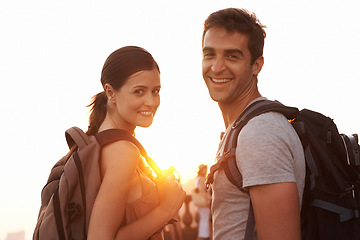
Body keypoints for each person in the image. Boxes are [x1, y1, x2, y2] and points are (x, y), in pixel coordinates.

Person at [201, 8, 306, 240]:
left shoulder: (260, 134)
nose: (216, 67)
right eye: (209, 54)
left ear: (257, 65)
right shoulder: (243, 128)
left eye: (232, 56)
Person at [86, 46, 186, 240]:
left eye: (155, 91)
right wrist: (166, 208)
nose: (151, 101)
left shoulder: (99, 142)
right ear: (110, 92)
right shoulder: (123, 152)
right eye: (139, 91)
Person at [195, 164, 212, 240]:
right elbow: (203, 192)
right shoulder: (202, 178)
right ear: (201, 170)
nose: (206, 170)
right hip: (204, 202)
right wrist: (210, 198)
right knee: (205, 221)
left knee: (203, 220)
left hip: (200, 202)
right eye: (204, 169)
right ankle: (202, 237)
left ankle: (202, 236)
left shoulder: (197, 178)